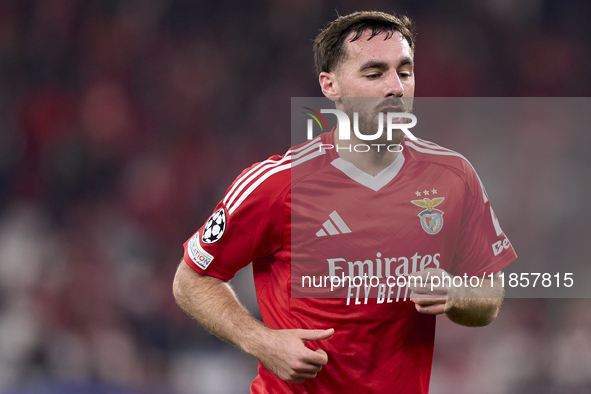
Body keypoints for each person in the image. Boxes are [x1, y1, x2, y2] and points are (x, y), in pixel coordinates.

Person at [173, 11, 517, 394]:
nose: (395, 87)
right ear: (330, 85)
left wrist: (455, 293)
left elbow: (489, 294)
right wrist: (262, 342)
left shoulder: (454, 177)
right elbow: (191, 279)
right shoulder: (277, 183)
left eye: (404, 72)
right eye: (374, 74)